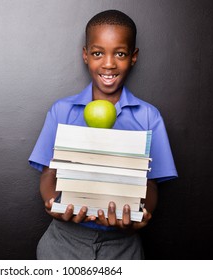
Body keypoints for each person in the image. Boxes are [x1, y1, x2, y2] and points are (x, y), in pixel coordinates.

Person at [28, 9, 178, 260]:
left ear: (133, 57)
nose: (108, 64)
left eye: (119, 54)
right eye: (98, 53)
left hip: (123, 246)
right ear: (86, 55)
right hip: (64, 240)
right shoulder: (61, 111)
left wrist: (141, 215)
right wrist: (54, 203)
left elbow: (150, 184)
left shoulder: (148, 117)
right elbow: (48, 174)